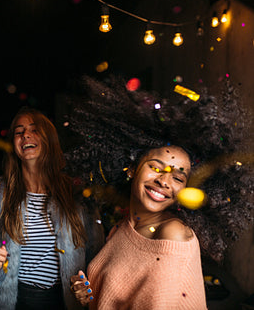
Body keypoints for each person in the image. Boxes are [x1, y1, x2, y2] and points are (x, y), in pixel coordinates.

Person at [65, 76, 254, 309]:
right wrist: (89, 295)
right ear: (132, 169)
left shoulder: (172, 234)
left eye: (178, 177)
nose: (165, 181)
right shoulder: (124, 227)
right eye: (155, 167)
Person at [0, 107, 105, 310]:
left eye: (34, 129)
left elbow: (97, 256)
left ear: (49, 139)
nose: (26, 135)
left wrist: (89, 288)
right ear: (13, 143)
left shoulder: (77, 194)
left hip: (62, 302)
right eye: (19, 132)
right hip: (14, 302)